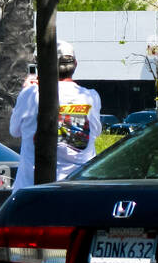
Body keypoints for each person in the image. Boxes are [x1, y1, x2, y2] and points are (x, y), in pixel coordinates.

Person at [9, 40, 101, 191]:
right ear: (75, 64)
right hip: (78, 188)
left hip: (32, 188)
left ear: (44, 66)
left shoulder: (31, 94)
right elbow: (95, 132)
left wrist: (26, 90)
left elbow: (14, 130)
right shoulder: (90, 97)